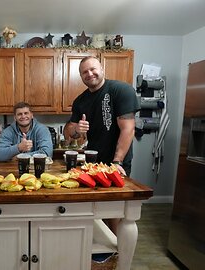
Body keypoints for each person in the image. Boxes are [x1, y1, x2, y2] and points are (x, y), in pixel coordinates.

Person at [68, 56, 140, 235]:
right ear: (81, 76)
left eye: (93, 69)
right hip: (92, 163)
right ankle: (101, 252)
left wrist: (116, 162)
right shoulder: (80, 101)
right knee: (96, 210)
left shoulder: (121, 90)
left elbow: (128, 129)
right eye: (84, 72)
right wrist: (76, 128)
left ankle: (116, 253)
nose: (89, 74)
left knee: (114, 211)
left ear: (102, 68)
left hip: (116, 162)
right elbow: (68, 131)